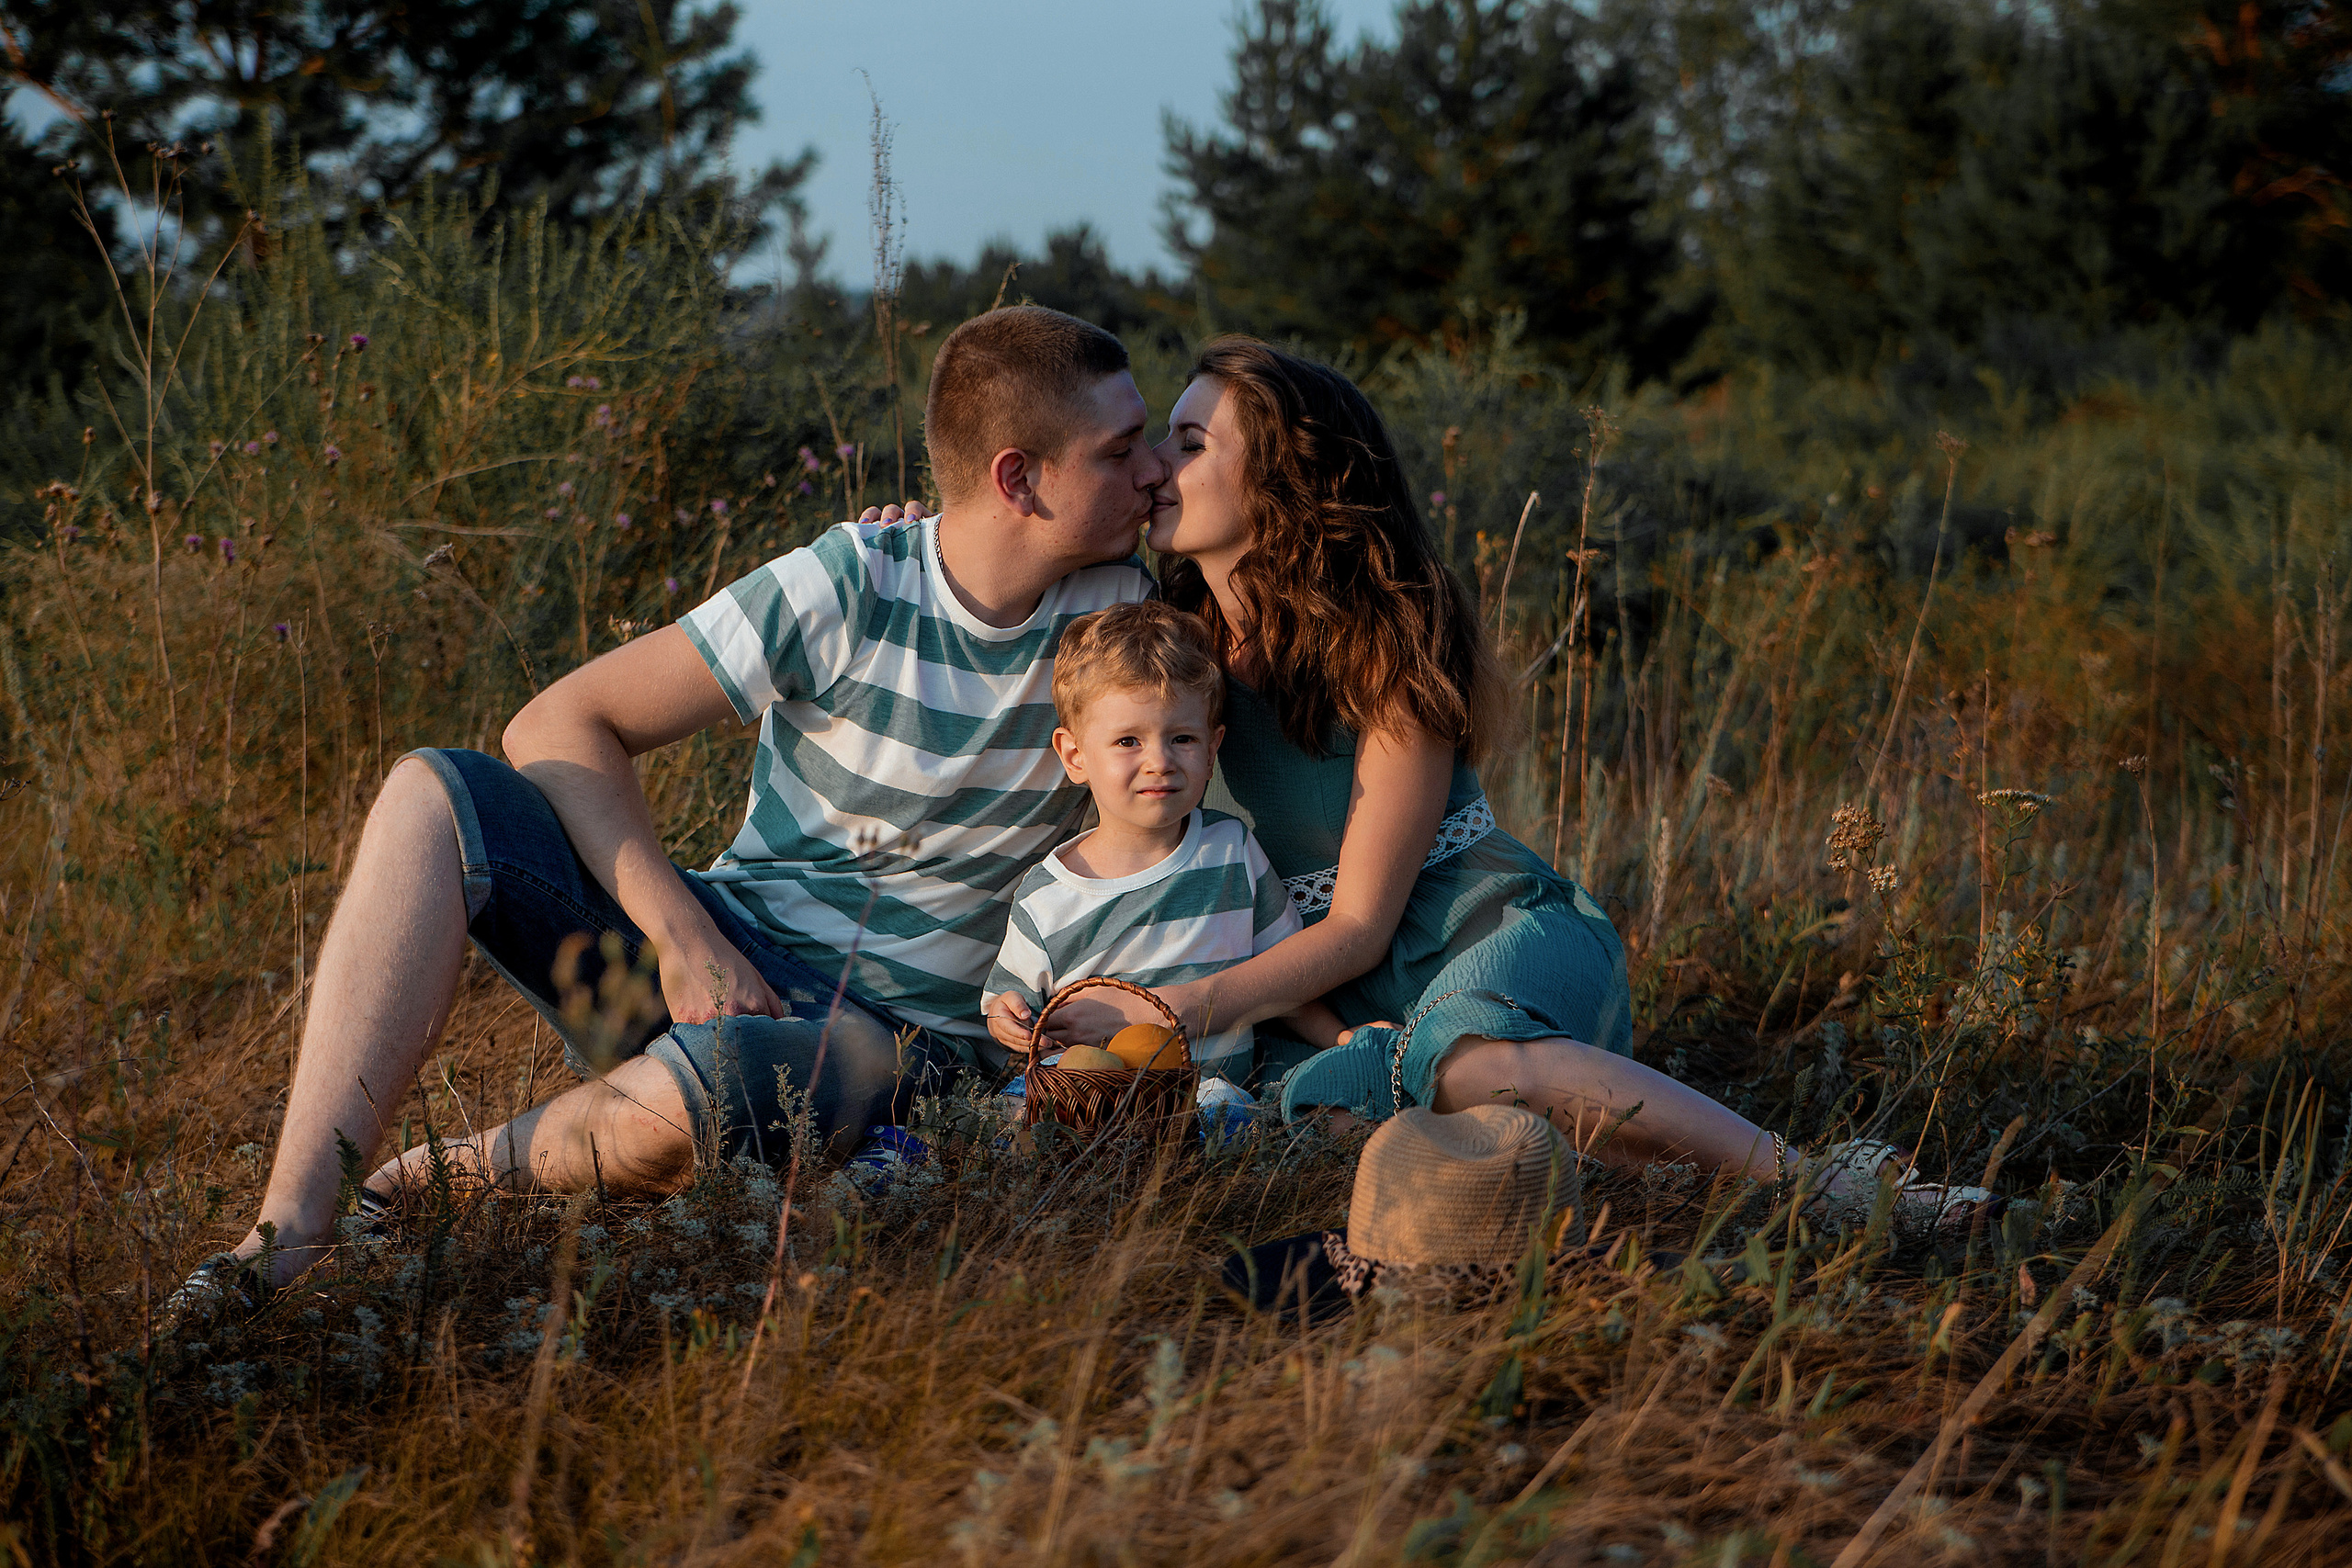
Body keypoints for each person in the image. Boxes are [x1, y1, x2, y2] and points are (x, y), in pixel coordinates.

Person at [167, 305, 1170, 1322]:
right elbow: (558, 722)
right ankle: (287, 1230)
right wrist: (684, 937)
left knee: (699, 1098)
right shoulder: (850, 579)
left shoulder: (1127, 620)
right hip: (711, 958)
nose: (1154, 470)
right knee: (431, 791)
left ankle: (445, 1176)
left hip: (891, 1042)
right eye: (1122, 448)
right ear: (1017, 479)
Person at [1034, 336, 1993, 1227]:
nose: (1153, 466)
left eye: (1190, 442)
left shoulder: (1384, 636)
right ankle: (1660, 1180)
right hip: (1313, 994)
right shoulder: (1173, 646)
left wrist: (1179, 1006)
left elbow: (1361, 923)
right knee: (1327, 1122)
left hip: (1472, 929)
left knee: (1471, 1063)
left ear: (1286, 477)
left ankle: (1829, 1185)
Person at [979, 601, 1341, 1078]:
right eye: (1128, 741)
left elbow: (1283, 979)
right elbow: (1011, 1007)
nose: (1160, 762)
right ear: (1075, 755)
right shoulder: (1046, 895)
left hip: (1219, 1103)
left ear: (1211, 749)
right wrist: (1006, 1017)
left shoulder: (1230, 851)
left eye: (1182, 739)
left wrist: (1341, 1038)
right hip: (1098, 1104)